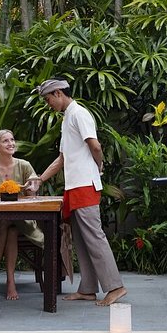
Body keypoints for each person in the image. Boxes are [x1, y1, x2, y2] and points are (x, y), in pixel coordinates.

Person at [27, 79, 126, 307]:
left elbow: (95, 146)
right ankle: (88, 289)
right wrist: (40, 179)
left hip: (85, 185)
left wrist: (99, 166)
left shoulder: (79, 113)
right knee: (81, 240)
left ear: (58, 93)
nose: (48, 104)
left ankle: (115, 287)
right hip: (74, 187)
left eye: (48, 99)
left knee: (94, 237)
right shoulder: (68, 118)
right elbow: (62, 159)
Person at [0, 129, 45, 300]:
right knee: (9, 228)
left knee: (9, 223)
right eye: (5, 141)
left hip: (24, 221)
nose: (11, 143)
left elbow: (33, 192)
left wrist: (33, 188)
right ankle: (10, 281)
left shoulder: (24, 165)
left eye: (12, 140)